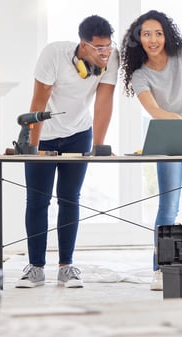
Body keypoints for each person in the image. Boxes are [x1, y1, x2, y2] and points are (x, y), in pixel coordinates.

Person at [16, 15, 119, 288]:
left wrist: (99, 145)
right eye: (99, 48)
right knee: (37, 201)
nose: (105, 52)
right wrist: (32, 149)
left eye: (108, 46)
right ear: (83, 45)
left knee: (69, 198)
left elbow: (104, 101)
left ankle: (66, 267)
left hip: (78, 134)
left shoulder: (111, 58)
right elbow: (38, 102)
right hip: (45, 136)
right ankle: (35, 268)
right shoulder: (54, 55)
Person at [120, 10, 182, 291]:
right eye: (146, 34)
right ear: (138, 39)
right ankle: (161, 270)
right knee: (168, 207)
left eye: (158, 33)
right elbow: (153, 109)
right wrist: (176, 121)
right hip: (172, 139)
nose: (153, 39)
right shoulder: (139, 75)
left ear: (167, 35)